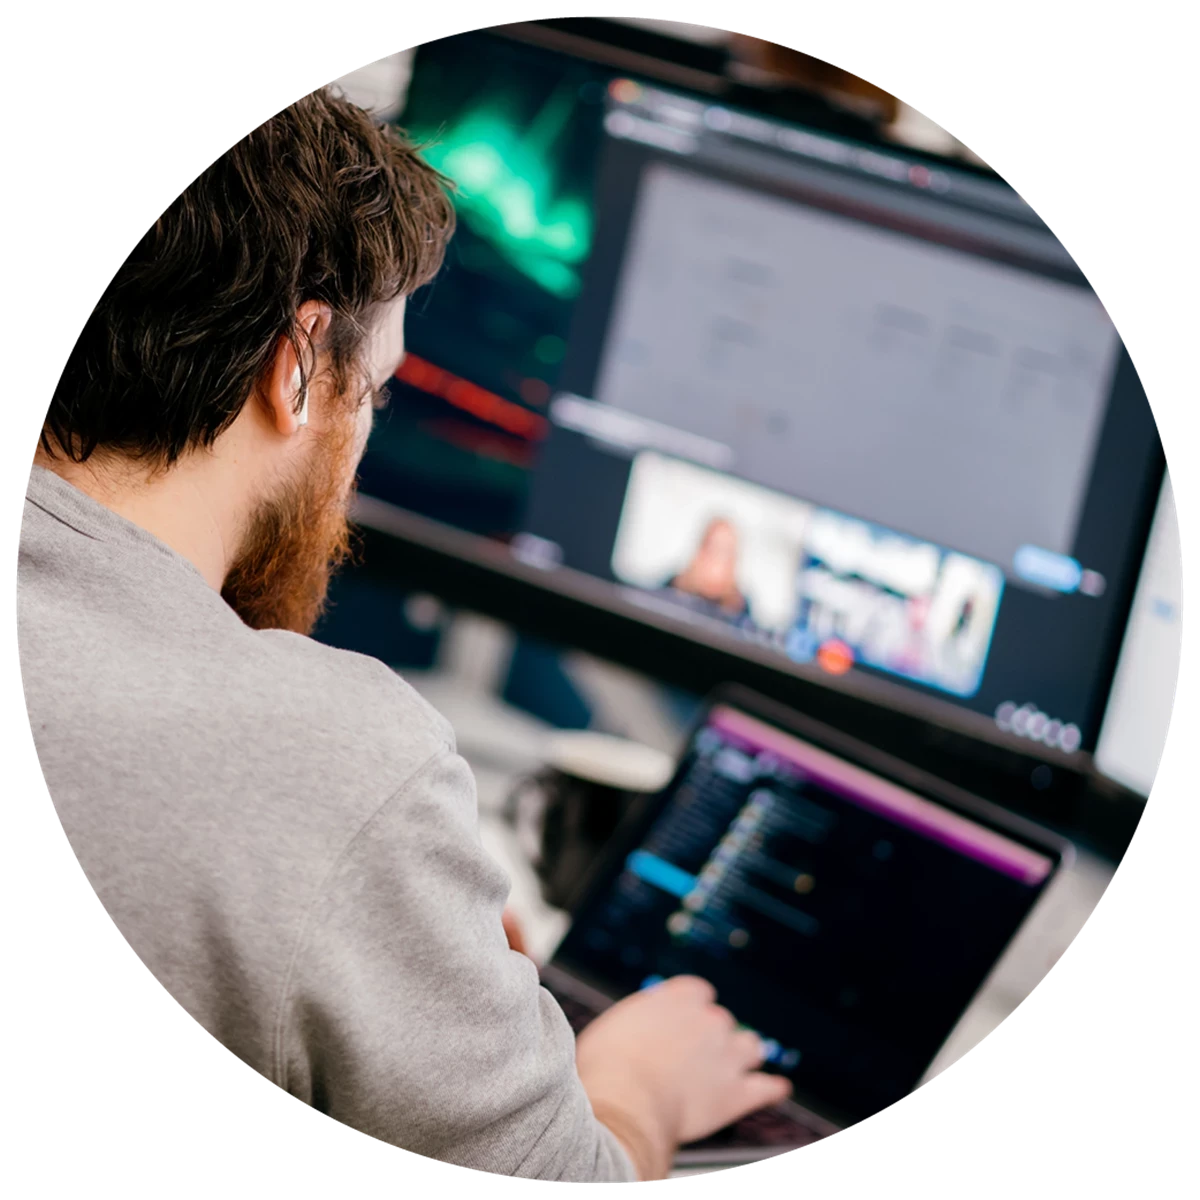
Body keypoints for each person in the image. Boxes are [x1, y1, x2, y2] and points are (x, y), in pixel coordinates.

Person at [17, 87, 789, 1182]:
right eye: (374, 391)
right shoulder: (329, 757)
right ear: (297, 366)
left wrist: (382, 923)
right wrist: (634, 1091)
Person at [661, 517, 755, 630]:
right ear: (700, 552)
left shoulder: (742, 612)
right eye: (713, 548)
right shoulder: (671, 590)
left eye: (726, 552)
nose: (718, 560)